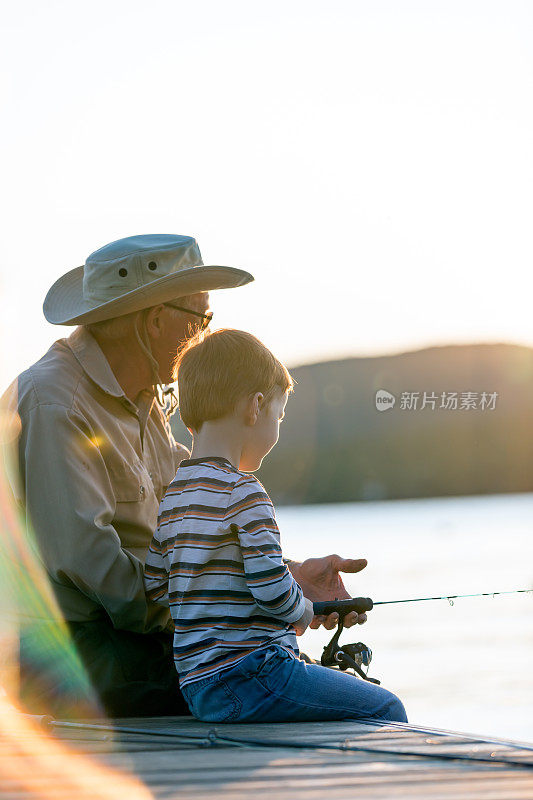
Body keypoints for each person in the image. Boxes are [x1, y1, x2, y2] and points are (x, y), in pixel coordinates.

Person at [1, 233, 370, 719]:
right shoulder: (55, 403)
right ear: (155, 321)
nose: (205, 334)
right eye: (201, 318)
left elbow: (203, 520)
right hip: (73, 654)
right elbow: (93, 568)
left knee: (287, 674)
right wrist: (242, 606)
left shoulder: (147, 400)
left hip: (133, 639)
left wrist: (290, 577)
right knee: (305, 688)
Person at [144, 328, 407, 723]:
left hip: (198, 687)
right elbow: (270, 589)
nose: (278, 427)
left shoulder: (173, 498)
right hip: (253, 676)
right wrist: (304, 612)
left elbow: (155, 586)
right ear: (255, 407)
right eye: (278, 415)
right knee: (386, 706)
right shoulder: (244, 492)